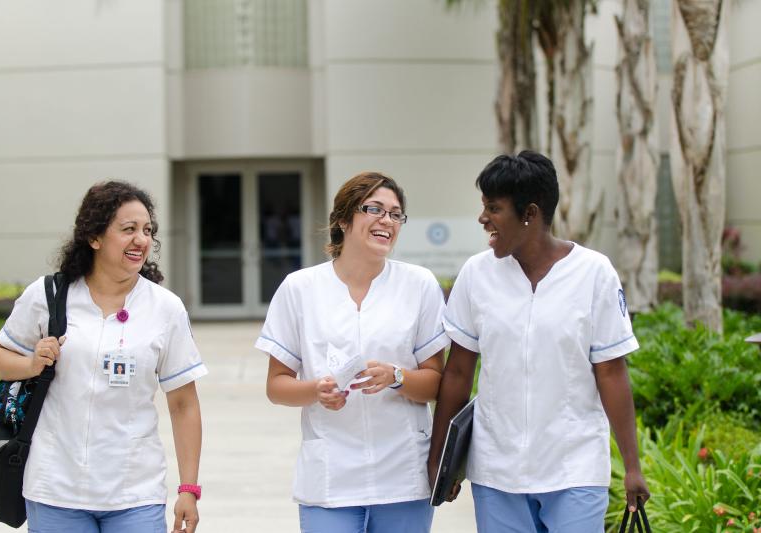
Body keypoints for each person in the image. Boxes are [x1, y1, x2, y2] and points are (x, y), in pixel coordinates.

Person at [428, 151, 650, 533]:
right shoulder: (477, 275)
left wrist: (632, 466)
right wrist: (440, 460)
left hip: (574, 468)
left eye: (493, 209)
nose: (483, 219)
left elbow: (612, 372)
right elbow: (459, 372)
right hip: (497, 472)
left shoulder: (593, 273)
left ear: (529, 213)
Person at [0, 181, 207, 533]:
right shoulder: (48, 295)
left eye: (147, 230)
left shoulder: (165, 308)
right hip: (55, 489)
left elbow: (183, 404)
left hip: (134, 492)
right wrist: (31, 364)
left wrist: (188, 489)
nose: (142, 240)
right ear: (94, 238)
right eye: (128, 229)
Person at [256, 172, 450, 533]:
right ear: (343, 219)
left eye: (395, 214)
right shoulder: (300, 289)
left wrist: (397, 377)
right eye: (374, 209)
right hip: (331, 476)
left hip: (402, 475)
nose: (387, 221)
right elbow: (276, 386)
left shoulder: (418, 285)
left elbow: (436, 382)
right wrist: (315, 390)